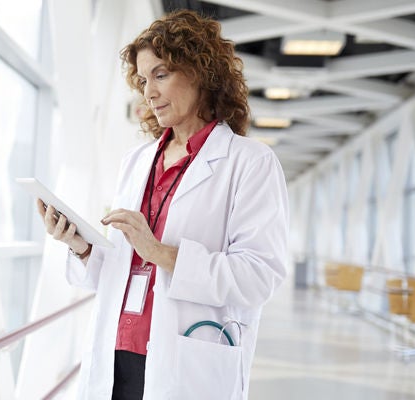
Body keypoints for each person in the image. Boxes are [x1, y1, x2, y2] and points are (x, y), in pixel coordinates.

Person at [37, 9, 288, 400]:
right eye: (142, 79)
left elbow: (258, 276)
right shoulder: (137, 161)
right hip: (116, 355)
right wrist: (82, 245)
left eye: (160, 74)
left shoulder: (250, 162)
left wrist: (160, 252)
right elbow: (125, 265)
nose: (148, 92)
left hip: (187, 361)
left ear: (202, 72)